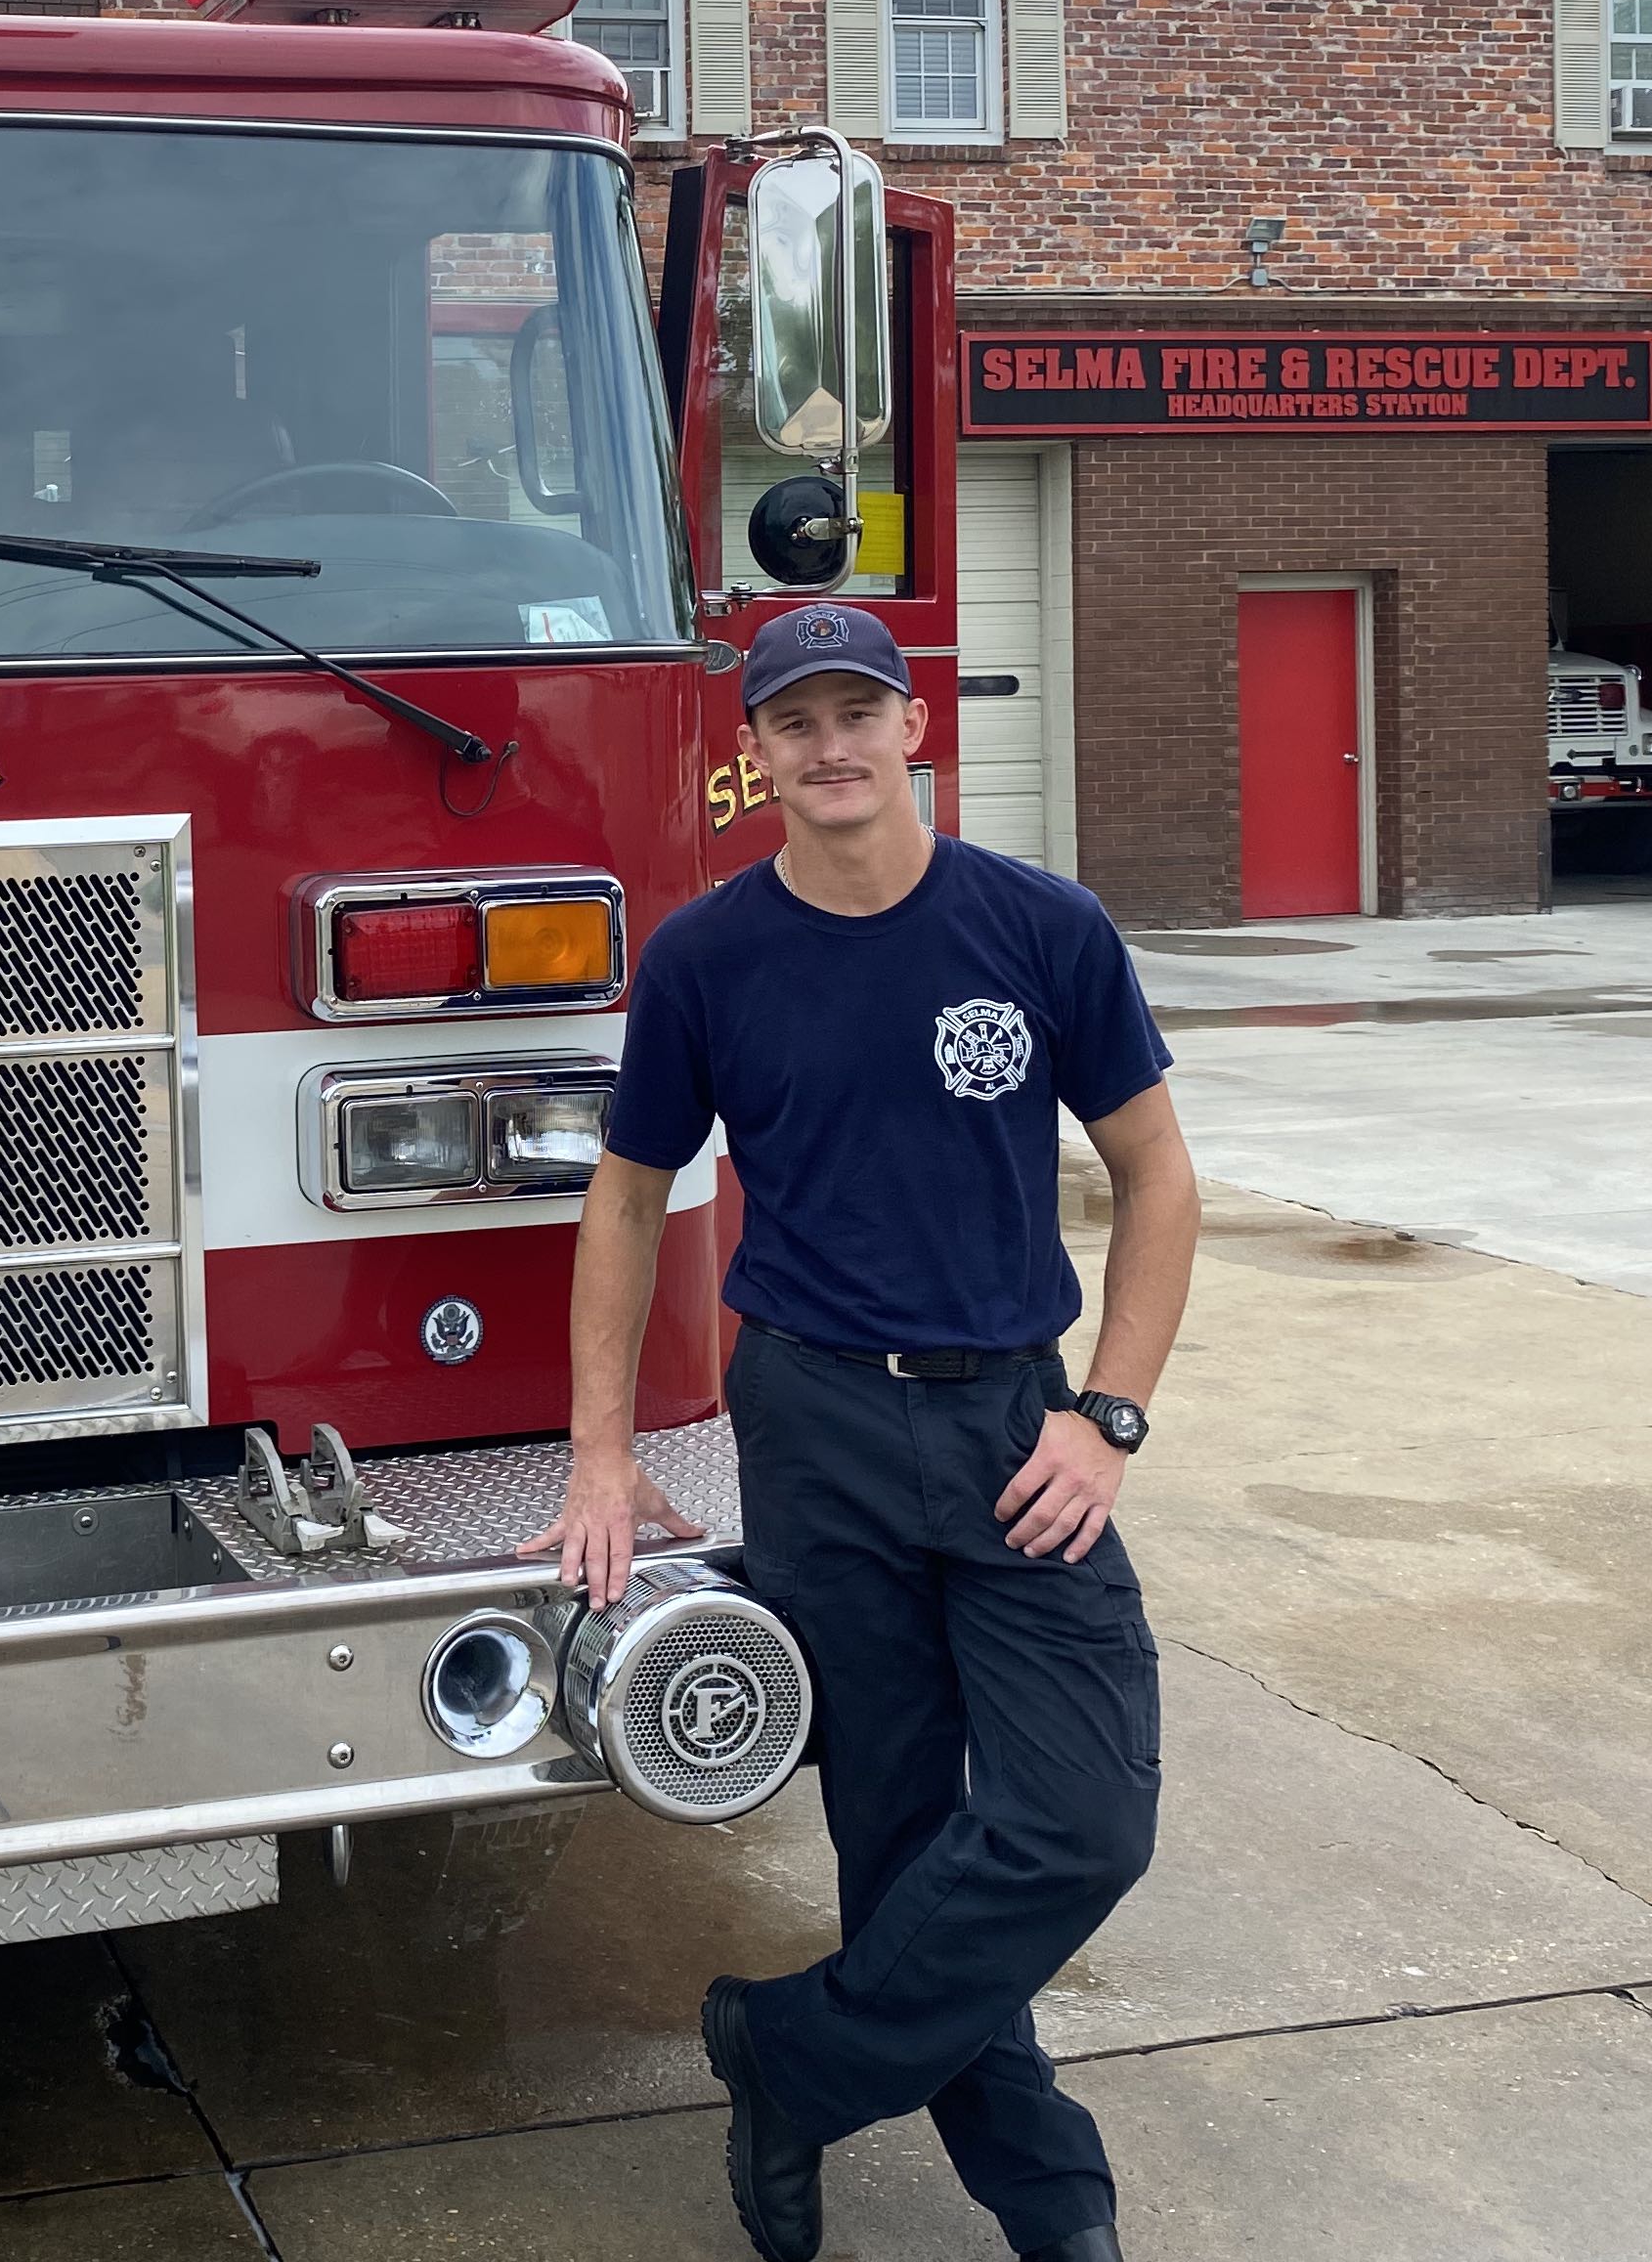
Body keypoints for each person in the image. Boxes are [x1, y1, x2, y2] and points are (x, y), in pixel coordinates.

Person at [526, 601, 1197, 2262]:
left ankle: (795, 2058)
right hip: (815, 1418)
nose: (828, 746)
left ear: (917, 730)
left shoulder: (1042, 930)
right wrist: (600, 1452)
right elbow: (625, 1205)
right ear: (750, 757)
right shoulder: (707, 958)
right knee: (899, 1836)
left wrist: (1109, 1414)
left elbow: (1161, 1179)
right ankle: (1055, 2207)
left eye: (857, 713)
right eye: (791, 722)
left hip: (1015, 1421)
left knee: (1081, 1818)